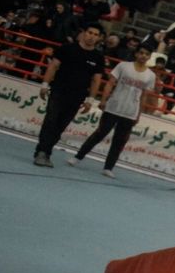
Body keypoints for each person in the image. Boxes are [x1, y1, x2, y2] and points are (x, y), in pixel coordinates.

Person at [67, 46, 158, 177]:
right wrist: (103, 100)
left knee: (119, 141)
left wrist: (139, 114)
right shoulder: (123, 66)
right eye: (141, 53)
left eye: (146, 54)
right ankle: (78, 157)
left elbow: (144, 96)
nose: (143, 56)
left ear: (149, 57)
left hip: (129, 112)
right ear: (136, 54)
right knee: (99, 134)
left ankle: (108, 167)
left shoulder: (151, 75)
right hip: (113, 107)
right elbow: (110, 83)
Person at [33, 24, 106, 167]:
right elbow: (53, 66)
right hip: (58, 90)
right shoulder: (67, 48)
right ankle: (42, 152)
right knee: (50, 120)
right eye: (90, 32)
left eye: (96, 34)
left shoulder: (98, 57)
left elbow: (96, 79)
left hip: (77, 96)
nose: (92, 36)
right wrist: (44, 85)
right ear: (84, 33)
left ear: (99, 38)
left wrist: (90, 100)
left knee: (60, 126)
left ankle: (45, 151)